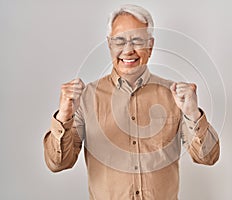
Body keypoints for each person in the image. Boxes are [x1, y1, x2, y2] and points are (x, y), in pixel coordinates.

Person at [43, 4, 220, 200]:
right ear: (109, 45)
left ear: (150, 46)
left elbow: (208, 158)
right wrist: (64, 116)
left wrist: (192, 113)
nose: (128, 50)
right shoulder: (85, 98)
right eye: (120, 41)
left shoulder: (175, 96)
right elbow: (57, 163)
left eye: (137, 40)